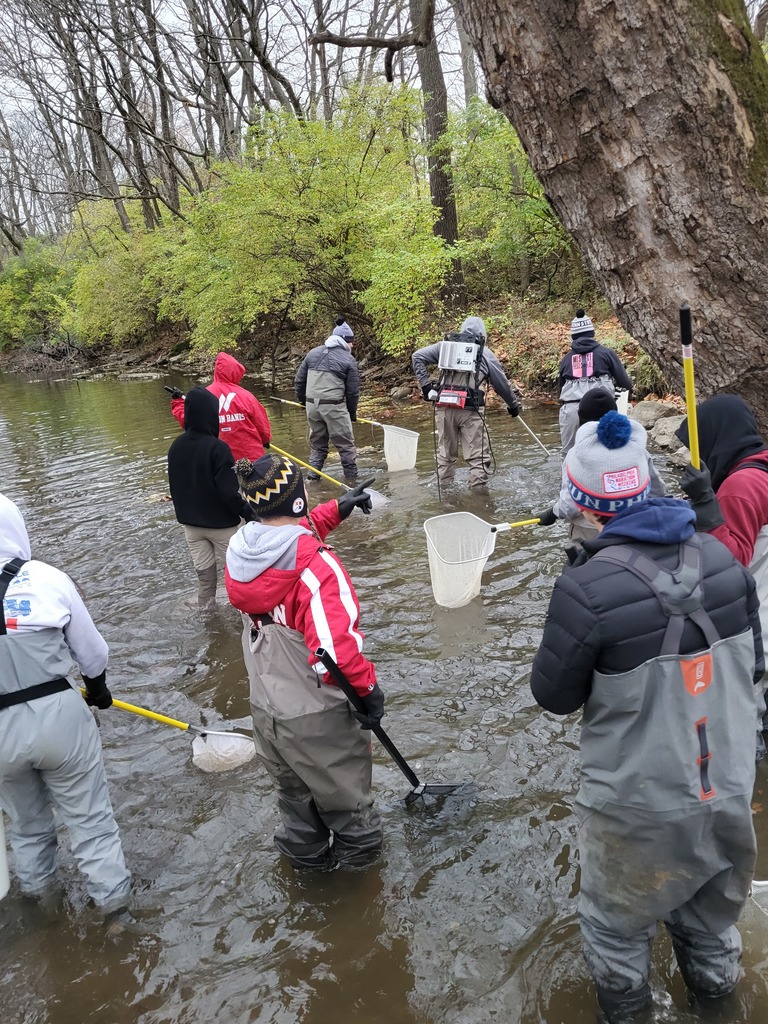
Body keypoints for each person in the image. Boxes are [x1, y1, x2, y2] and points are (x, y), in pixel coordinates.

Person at [529, 411, 762, 1022]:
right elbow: (753, 669)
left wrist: (576, 578)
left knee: (616, 934)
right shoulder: (727, 564)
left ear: (581, 503)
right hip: (728, 792)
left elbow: (552, 695)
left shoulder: (586, 589)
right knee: (712, 934)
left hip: (638, 810)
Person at [225, 453, 383, 870]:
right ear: (299, 498)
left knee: (297, 811)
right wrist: (369, 695)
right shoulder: (317, 568)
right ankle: (355, 909)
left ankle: (307, 884)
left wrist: (337, 510)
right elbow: (336, 654)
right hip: (316, 720)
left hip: (267, 710)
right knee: (354, 822)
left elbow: (285, 539)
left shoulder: (240, 554)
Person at [0, 493, 132, 917]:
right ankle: (116, 915)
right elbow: (92, 653)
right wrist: (97, 690)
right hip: (58, 716)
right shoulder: (43, 577)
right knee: (92, 824)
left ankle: (46, 912)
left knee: (26, 828)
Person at [676, 393, 768, 757]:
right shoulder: (762, 468)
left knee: (748, 729)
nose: (691, 457)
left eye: (696, 447)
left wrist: (706, 508)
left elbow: (728, 567)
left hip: (759, 627)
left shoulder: (740, 488)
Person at [535, 388, 665, 541]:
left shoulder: (575, 454)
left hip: (590, 529)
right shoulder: (637, 448)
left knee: (581, 561)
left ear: (581, 419)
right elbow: (658, 490)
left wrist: (553, 513)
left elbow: (570, 505)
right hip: (634, 525)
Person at [167, 386, 254, 608]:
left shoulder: (175, 447)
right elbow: (229, 493)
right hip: (222, 526)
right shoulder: (218, 448)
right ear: (210, 415)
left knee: (206, 583)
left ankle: (209, 624)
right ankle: (242, 624)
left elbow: (176, 488)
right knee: (237, 579)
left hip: (191, 527)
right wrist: (251, 514)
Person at [411, 316, 520, 488]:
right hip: (470, 410)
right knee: (478, 459)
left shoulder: (444, 346)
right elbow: (502, 385)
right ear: (482, 334)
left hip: (443, 408)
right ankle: (478, 503)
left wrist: (425, 387)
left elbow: (417, 357)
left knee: (445, 457)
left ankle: (446, 501)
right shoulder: (485, 353)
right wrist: (513, 405)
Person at [168, 351, 271, 462]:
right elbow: (262, 426)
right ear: (237, 373)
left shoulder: (203, 396)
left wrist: (178, 402)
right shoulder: (247, 396)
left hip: (218, 462)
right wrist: (265, 440)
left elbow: (187, 422)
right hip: (252, 460)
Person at [558, 309, 632, 456]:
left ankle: (568, 477)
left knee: (569, 454)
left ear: (573, 336)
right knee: (607, 450)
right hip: (601, 409)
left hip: (571, 410)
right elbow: (625, 384)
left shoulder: (566, 360)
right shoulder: (606, 353)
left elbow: (560, 390)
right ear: (592, 333)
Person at [294, 318, 360, 482]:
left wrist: (303, 402)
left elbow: (299, 381)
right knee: (345, 447)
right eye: (350, 342)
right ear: (344, 341)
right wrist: (351, 414)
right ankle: (352, 483)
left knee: (318, 445)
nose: (352, 346)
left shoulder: (313, 353)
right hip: (334, 407)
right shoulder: (348, 360)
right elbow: (353, 393)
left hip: (312, 406)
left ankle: (312, 479)